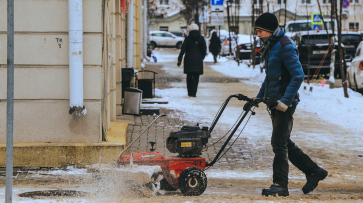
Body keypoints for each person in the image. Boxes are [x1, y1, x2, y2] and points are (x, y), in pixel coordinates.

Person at [245, 12, 328, 197]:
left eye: (259, 31)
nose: (257, 35)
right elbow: (271, 78)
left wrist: (285, 101)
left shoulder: (285, 46)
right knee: (284, 141)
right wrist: (258, 98)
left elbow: (298, 75)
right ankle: (314, 171)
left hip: (284, 102)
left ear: (268, 30)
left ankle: (280, 184)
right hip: (275, 101)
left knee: (278, 143)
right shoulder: (272, 45)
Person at [177, 23, 207, 97]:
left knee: (189, 76)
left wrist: (179, 60)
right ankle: (194, 93)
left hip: (188, 59)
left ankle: (189, 92)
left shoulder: (187, 39)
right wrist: (201, 57)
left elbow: (183, 50)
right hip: (198, 59)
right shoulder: (201, 38)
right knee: (196, 77)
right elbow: (204, 50)